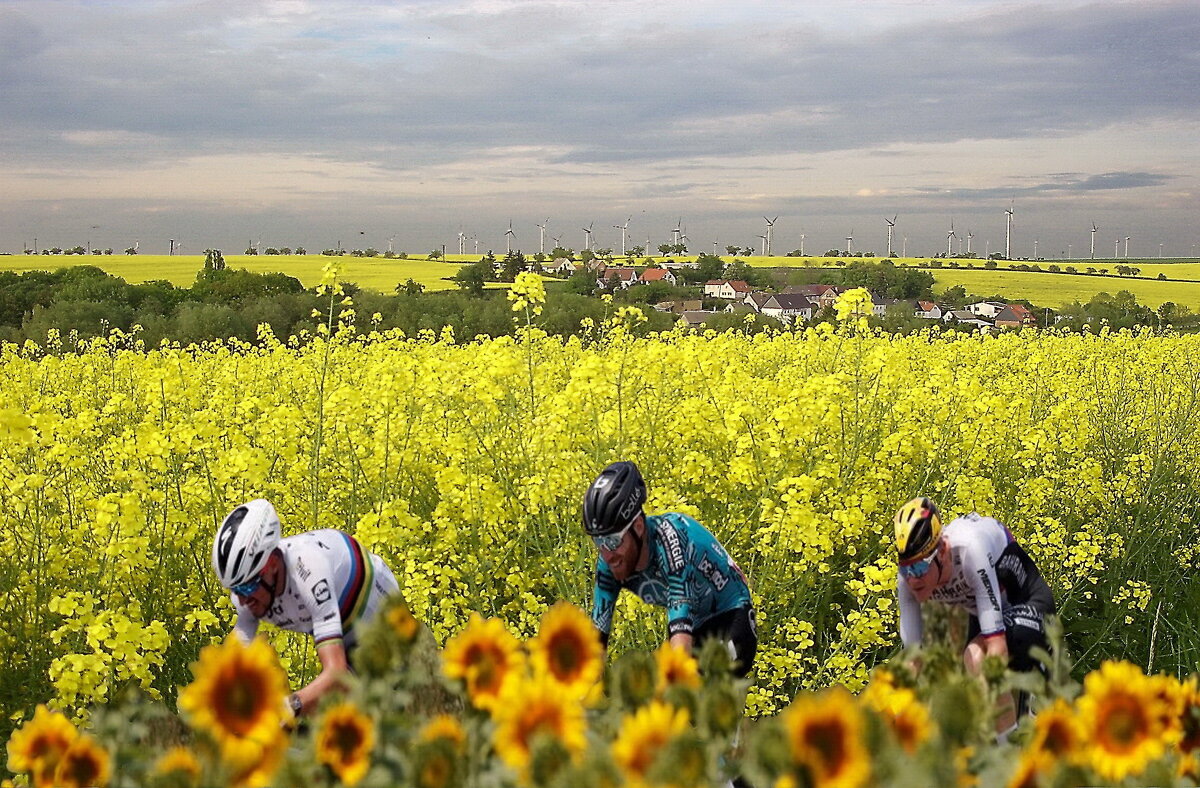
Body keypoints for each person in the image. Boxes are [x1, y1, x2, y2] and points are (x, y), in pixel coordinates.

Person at [211, 498, 402, 719]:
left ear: (272, 564)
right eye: (235, 590)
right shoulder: (247, 594)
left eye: (247, 586)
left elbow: (337, 672)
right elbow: (235, 658)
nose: (243, 601)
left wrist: (288, 708)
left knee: (368, 703)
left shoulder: (309, 572)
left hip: (374, 606)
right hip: (337, 612)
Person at [893, 496, 1056, 735]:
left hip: (1029, 603)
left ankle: (1012, 756)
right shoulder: (907, 579)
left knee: (977, 658)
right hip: (986, 613)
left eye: (919, 568)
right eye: (906, 567)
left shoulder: (970, 549)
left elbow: (996, 646)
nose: (912, 578)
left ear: (943, 551)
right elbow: (912, 659)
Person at [583, 460, 756, 677]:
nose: (607, 553)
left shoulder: (672, 544)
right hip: (697, 624)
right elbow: (597, 640)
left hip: (731, 614)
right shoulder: (608, 562)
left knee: (687, 690)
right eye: (598, 543)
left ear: (637, 527)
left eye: (612, 541)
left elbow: (680, 629)